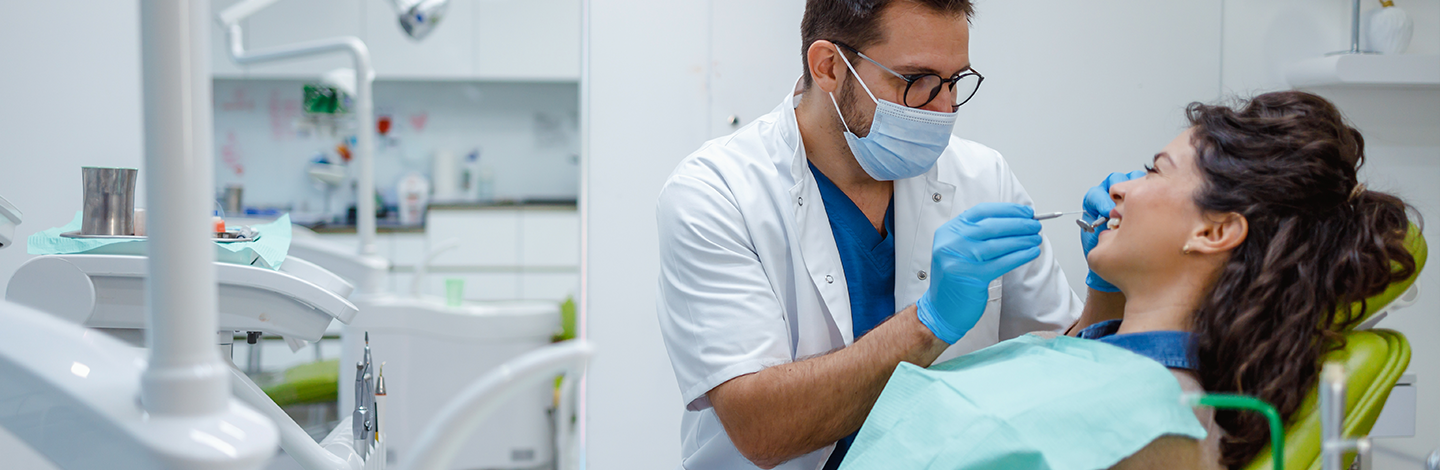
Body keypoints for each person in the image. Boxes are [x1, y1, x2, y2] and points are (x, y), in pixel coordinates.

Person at [837, 90, 1419, 469]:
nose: (1120, 187)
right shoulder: (1093, 361)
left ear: (1215, 233)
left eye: (1153, 171)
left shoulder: (1158, 427)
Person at [654, 1, 1126, 468]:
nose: (943, 108)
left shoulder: (983, 177)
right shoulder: (716, 193)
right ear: (829, 67)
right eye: (915, 81)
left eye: (954, 81)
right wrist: (929, 322)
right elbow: (762, 430)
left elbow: (1063, 368)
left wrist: (1108, 286)